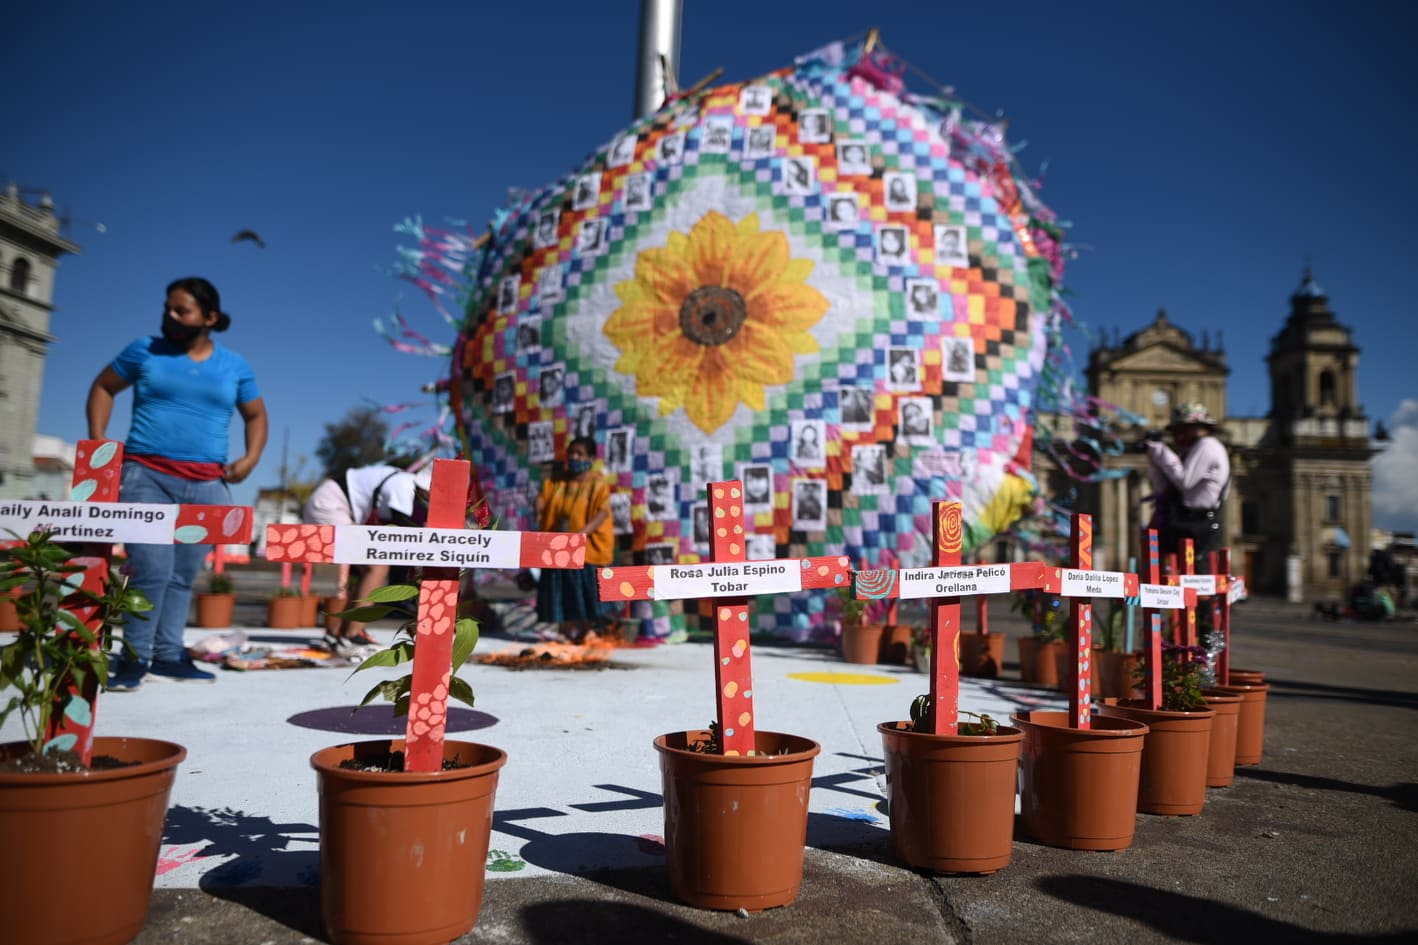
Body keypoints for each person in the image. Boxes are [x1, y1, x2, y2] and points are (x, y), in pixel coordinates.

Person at [87, 276, 268, 690]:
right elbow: (103, 387)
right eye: (167, 307)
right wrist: (99, 441)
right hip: (145, 476)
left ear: (209, 317)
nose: (170, 316)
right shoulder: (143, 350)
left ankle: (168, 654)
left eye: (181, 310)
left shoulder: (235, 366)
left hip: (207, 485)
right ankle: (134, 657)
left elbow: (256, 416)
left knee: (183, 575)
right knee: (151, 568)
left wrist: (251, 458)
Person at [302, 462, 432, 655]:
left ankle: (338, 633)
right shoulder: (404, 486)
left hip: (334, 502)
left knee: (369, 569)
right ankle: (351, 636)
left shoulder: (403, 483)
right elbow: (403, 532)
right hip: (330, 504)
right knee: (376, 566)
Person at [535, 436, 615, 641]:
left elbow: (602, 513)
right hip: (558, 547)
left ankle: (589, 630)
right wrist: (539, 505)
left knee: (585, 592)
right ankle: (566, 630)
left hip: (585, 548)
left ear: (590, 458)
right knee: (561, 590)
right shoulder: (556, 481)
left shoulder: (597, 483)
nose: (574, 457)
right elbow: (542, 497)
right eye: (571, 453)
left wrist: (581, 535)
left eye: (580, 453)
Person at [1143, 402, 1230, 563]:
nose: (1176, 436)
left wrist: (1162, 452)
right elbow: (1165, 488)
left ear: (1197, 428)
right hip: (1185, 521)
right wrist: (1154, 460)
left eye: (1180, 430)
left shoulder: (1207, 445)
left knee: (1197, 574)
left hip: (1200, 523)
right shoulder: (1191, 451)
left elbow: (1185, 481)